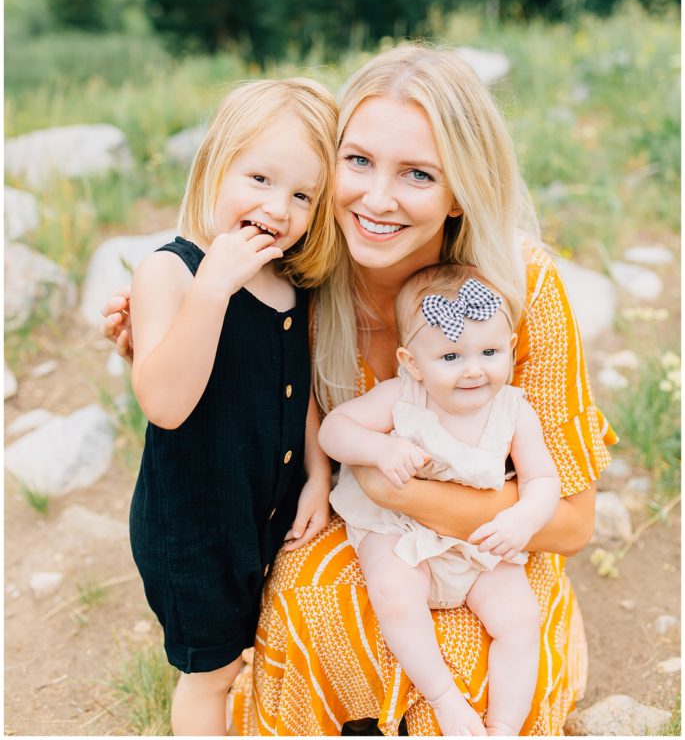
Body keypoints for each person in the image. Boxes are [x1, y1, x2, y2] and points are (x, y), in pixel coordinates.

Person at [102, 44, 616, 736]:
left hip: (491, 546)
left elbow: (571, 522)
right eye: (358, 162)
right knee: (311, 607)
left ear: (459, 188)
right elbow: (215, 333)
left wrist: (392, 488)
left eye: (417, 174)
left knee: (469, 667)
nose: (376, 199)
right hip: (367, 537)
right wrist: (155, 327)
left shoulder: (516, 291)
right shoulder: (309, 263)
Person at [126, 78, 337, 736]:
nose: (278, 207)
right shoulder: (173, 271)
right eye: (259, 178)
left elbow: (294, 388)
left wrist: (320, 476)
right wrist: (212, 290)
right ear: (217, 163)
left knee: (251, 647)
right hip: (195, 525)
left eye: (302, 195)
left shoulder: (290, 281)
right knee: (209, 673)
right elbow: (164, 402)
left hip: (266, 510)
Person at [319, 264, 560, 736]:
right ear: (412, 363)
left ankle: (504, 725)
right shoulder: (400, 397)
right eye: (450, 357)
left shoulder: (514, 410)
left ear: (510, 347)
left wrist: (525, 519)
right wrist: (380, 448)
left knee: (520, 617)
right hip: (400, 529)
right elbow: (334, 430)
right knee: (393, 592)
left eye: (489, 352)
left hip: (474, 538)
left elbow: (543, 481)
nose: (474, 369)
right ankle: (444, 699)